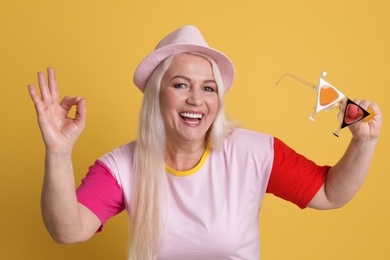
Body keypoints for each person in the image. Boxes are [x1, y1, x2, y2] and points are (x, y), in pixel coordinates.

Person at [28, 25, 382, 260]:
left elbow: (331, 193)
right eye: (181, 85)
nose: (197, 100)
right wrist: (58, 153)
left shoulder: (254, 153)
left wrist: (364, 143)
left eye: (208, 88)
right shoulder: (122, 167)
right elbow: (67, 231)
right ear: (156, 96)